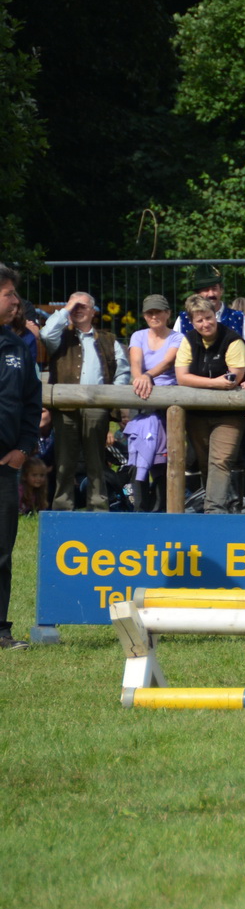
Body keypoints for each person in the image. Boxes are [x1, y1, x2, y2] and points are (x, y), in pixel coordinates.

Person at [41, 291, 129, 512]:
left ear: (93, 312)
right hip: (65, 407)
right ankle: (62, 508)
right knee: (64, 461)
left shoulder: (109, 339)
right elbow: (45, 334)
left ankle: (98, 507)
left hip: (97, 407)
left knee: (97, 461)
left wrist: (111, 402)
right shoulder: (59, 337)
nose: (78, 310)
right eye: (74, 306)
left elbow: (122, 372)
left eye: (82, 306)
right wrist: (66, 308)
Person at [174, 294, 245, 514]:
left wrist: (204, 383)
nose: (205, 323)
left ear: (215, 316)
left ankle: (214, 512)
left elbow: (234, 378)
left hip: (228, 414)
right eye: (199, 320)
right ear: (192, 322)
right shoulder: (189, 339)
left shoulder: (233, 339)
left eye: (208, 318)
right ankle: (221, 506)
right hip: (197, 414)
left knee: (221, 460)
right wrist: (214, 382)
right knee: (205, 463)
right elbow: (181, 377)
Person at [0, 264, 41, 649]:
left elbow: (32, 402)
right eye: (10, 293)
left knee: (2, 550)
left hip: (5, 468)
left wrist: (23, 449)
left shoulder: (17, 346)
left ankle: (0, 630)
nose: (17, 301)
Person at [122, 295, 182, 513]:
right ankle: (139, 508)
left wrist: (147, 376)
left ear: (167, 313)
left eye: (158, 312)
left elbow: (168, 362)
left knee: (162, 459)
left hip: (167, 400)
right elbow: (135, 360)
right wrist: (140, 378)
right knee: (137, 454)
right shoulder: (138, 336)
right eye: (149, 313)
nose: (154, 316)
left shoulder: (178, 337)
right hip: (141, 397)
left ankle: (162, 508)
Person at [175, 266, 245, 340]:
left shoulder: (238, 318)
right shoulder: (184, 319)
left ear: (221, 291)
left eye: (214, 289)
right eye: (206, 290)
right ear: (198, 294)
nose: (211, 294)